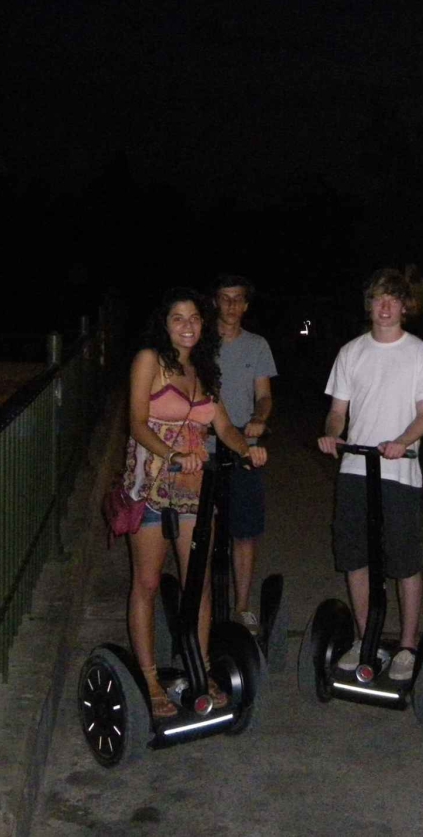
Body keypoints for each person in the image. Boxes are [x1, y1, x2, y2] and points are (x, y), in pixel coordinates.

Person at [119, 289, 267, 718]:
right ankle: (149, 680)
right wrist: (172, 454)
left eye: (194, 318)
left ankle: (198, 669)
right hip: (151, 485)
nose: (188, 325)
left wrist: (245, 450)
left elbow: (223, 425)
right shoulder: (149, 360)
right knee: (146, 582)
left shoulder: (204, 370)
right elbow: (136, 421)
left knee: (197, 582)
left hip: (195, 491)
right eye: (178, 318)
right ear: (165, 325)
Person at [318, 269, 423, 682]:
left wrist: (400, 440)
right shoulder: (351, 352)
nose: (386, 307)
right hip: (356, 468)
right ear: (369, 305)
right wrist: (332, 436)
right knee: (354, 554)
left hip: (399, 471)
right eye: (378, 299)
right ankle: (363, 637)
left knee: (404, 558)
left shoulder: (422, 354)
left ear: (404, 306)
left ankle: (407, 643)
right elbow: (338, 411)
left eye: (393, 300)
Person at [213, 275, 278, 635]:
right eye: (225, 299)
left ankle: (241, 606)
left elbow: (264, 394)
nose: (232, 306)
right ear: (215, 303)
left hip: (245, 449)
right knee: (202, 532)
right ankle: (205, 603)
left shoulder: (257, 346)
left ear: (246, 305)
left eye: (238, 299)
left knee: (245, 530)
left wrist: (258, 417)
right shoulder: (202, 344)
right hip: (204, 447)